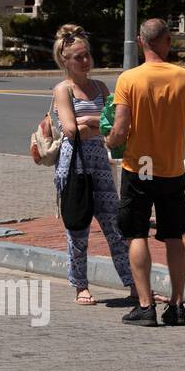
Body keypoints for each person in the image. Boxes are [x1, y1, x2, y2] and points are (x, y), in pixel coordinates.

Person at [106, 18, 185, 326]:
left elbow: (119, 130)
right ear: (167, 41)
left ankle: (146, 305)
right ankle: (177, 304)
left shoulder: (129, 79)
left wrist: (109, 141)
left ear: (140, 41)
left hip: (140, 165)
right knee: (174, 236)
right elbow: (183, 120)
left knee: (136, 233)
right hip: (171, 166)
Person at [49, 25, 137, 305]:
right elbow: (70, 130)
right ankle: (80, 285)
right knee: (78, 228)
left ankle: (135, 284)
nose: (85, 61)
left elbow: (114, 124)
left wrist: (88, 122)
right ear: (65, 60)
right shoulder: (63, 90)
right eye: (78, 57)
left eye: (87, 55)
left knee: (116, 225)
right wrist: (90, 124)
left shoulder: (100, 87)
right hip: (74, 164)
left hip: (100, 161)